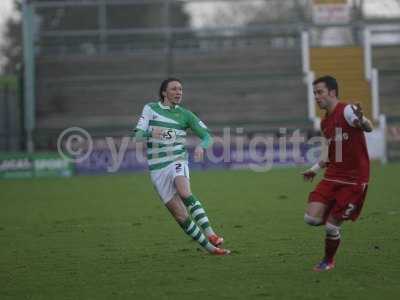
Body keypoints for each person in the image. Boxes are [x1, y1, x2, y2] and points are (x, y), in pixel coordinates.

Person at [134, 78, 230, 256]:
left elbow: (208, 137)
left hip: (177, 160)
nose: (179, 92)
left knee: (184, 191)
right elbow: (137, 137)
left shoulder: (186, 115)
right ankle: (212, 249)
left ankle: (212, 235)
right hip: (157, 169)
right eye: (174, 89)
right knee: (181, 216)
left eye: (181, 89)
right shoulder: (150, 109)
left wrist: (202, 146)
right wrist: (150, 132)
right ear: (164, 92)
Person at [301, 75, 372, 272]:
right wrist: (314, 169)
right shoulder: (325, 123)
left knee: (332, 227)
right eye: (314, 93)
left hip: (354, 180)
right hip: (332, 176)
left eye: (320, 92)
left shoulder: (347, 111)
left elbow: (368, 127)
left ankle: (328, 261)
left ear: (332, 92)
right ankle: (335, 213)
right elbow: (328, 151)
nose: (316, 97)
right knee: (311, 219)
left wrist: (362, 121)